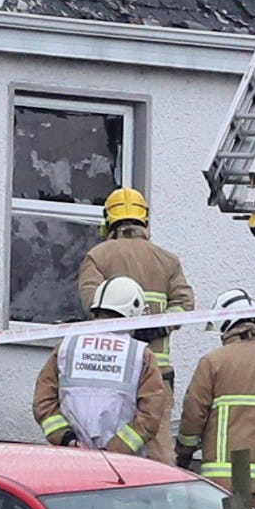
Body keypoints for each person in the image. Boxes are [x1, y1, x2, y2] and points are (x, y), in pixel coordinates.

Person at [78, 187, 192, 462]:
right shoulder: (168, 260)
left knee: (108, 448)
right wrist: (158, 328)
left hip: (111, 371)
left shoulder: (98, 256)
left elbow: (92, 304)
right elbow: (185, 304)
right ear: (145, 222)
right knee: (158, 447)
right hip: (158, 371)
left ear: (109, 221)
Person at [176, 288, 255, 502]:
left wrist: (183, 455)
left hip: (221, 484)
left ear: (225, 324)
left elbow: (193, 414)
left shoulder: (212, 362)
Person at [34, 276, 168, 456]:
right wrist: (115, 449)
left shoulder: (67, 346)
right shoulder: (141, 354)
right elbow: (150, 414)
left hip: (70, 457)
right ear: (134, 310)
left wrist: (67, 439)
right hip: (121, 463)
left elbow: (44, 402)